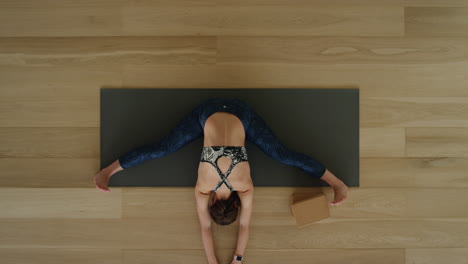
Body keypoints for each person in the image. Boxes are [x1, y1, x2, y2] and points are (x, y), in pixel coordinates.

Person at [94, 97, 349, 264]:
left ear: (236, 204)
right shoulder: (203, 189)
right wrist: (213, 262)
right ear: (213, 201)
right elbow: (205, 228)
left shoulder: (245, 187)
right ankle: (107, 172)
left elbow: (245, 227)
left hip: (242, 114)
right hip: (207, 113)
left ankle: (336, 183)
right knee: (161, 149)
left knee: (282, 155)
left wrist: (238, 259)